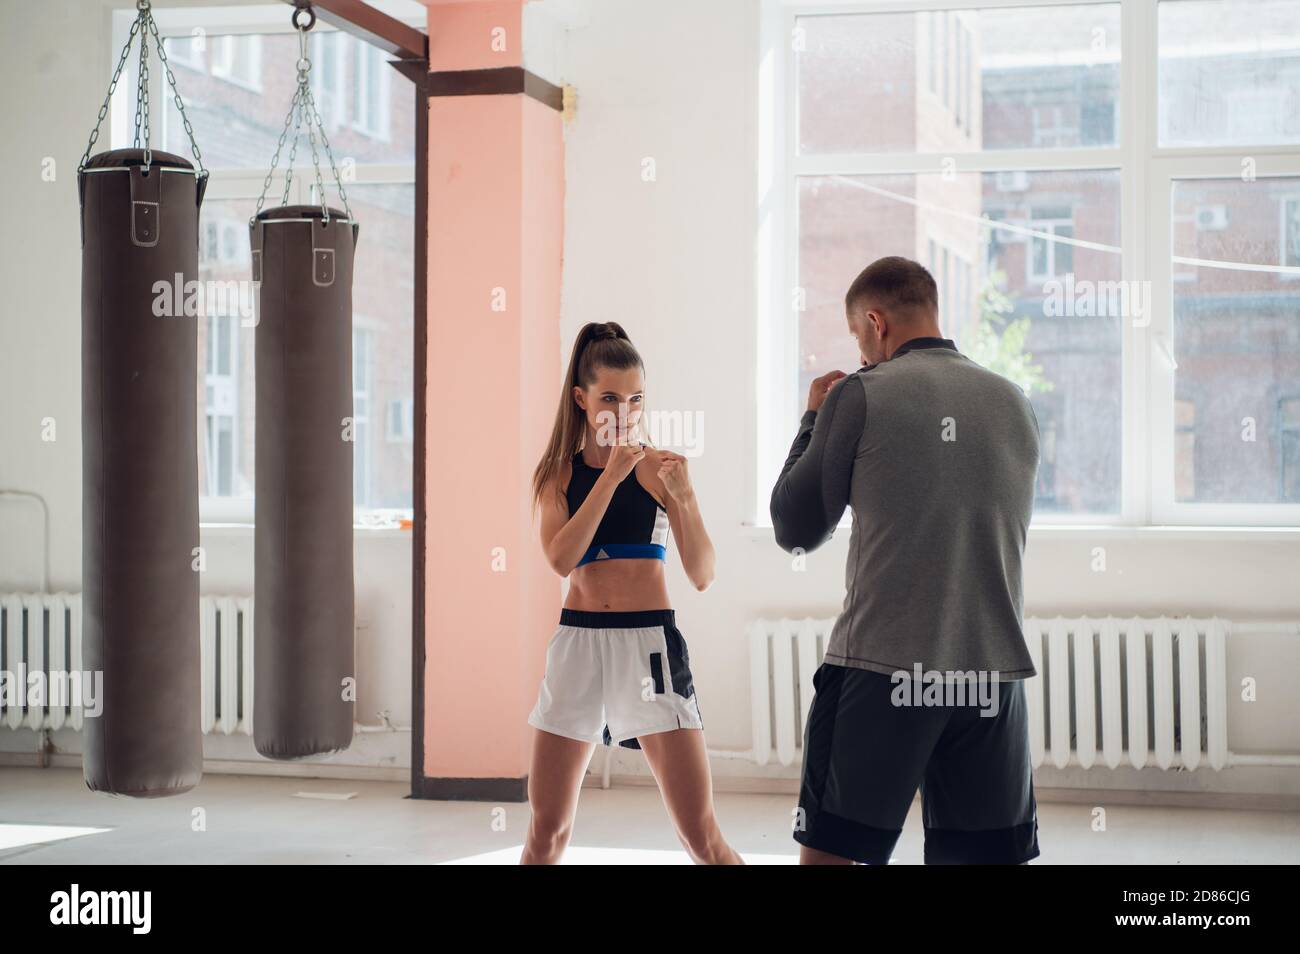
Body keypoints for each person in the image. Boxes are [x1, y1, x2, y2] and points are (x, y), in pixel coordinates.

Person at [770, 256, 1042, 865]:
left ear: (875, 321)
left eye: (857, 337)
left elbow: (796, 528)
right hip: (989, 681)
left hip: (881, 672)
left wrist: (814, 418)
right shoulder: (1015, 403)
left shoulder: (861, 395)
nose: (862, 352)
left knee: (835, 857)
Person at [521, 321, 744, 865]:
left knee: (700, 835)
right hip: (578, 643)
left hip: (648, 647)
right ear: (582, 397)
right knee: (547, 831)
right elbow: (560, 559)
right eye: (610, 399)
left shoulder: (658, 470)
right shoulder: (556, 476)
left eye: (636, 398)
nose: (625, 413)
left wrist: (686, 501)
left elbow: (702, 573)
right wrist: (609, 478)